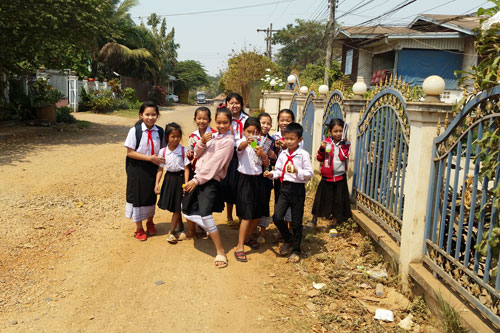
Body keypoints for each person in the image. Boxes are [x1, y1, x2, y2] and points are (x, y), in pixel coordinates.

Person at [182, 108, 235, 268]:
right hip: (198, 176)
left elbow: (215, 164)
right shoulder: (213, 136)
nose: (221, 126)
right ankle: (203, 231)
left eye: (225, 122)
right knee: (186, 206)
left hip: (209, 180)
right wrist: (203, 141)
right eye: (219, 122)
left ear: (230, 123)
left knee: (205, 214)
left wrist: (196, 180)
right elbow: (197, 154)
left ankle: (220, 251)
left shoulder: (228, 141)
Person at [264, 123, 313, 263]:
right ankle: (289, 239)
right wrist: (271, 174)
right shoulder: (283, 154)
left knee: (296, 222)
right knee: (277, 217)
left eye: (292, 139)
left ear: (300, 140)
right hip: (284, 188)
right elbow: (279, 170)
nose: (289, 141)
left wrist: (298, 171)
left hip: (297, 189)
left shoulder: (303, 154)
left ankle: (296, 250)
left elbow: (309, 173)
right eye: (287, 138)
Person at [124, 101, 165, 241]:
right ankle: (139, 228)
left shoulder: (160, 131)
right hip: (136, 169)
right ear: (141, 115)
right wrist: (149, 158)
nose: (150, 117)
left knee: (150, 196)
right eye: (147, 114)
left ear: (157, 116)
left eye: (154, 114)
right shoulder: (135, 131)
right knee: (137, 197)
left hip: (152, 169)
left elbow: (163, 152)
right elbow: (130, 152)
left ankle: (150, 222)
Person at [234, 117, 269, 262]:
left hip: (258, 179)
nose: (252, 134)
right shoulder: (240, 141)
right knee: (247, 215)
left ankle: (248, 238)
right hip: (245, 179)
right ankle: (239, 246)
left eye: (255, 132)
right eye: (249, 131)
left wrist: (263, 154)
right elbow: (240, 148)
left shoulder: (263, 144)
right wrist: (246, 141)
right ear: (244, 131)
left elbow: (266, 163)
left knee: (256, 214)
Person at [309, 118, 352, 229]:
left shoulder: (346, 144)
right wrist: (322, 149)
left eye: (340, 131)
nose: (338, 134)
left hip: (339, 177)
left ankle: (334, 223)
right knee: (320, 199)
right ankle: (314, 219)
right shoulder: (326, 142)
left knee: (338, 201)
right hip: (327, 176)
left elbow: (343, 157)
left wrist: (342, 144)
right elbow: (319, 158)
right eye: (335, 131)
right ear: (330, 132)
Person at [155, 122, 190, 244]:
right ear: (167, 137)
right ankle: (180, 227)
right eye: (172, 136)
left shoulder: (184, 150)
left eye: (178, 136)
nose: (175, 139)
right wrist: (157, 184)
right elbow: (160, 169)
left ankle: (171, 232)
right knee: (174, 205)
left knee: (176, 207)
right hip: (169, 179)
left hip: (180, 179)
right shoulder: (163, 152)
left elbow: (186, 168)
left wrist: (186, 183)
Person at [220, 92, 248, 227]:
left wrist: (254, 150)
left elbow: (252, 135)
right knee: (229, 185)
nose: (234, 105)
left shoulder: (247, 119)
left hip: (244, 155)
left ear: (242, 104)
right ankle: (229, 216)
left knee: (241, 186)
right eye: (231, 103)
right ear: (227, 104)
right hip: (230, 155)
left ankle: (241, 216)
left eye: (237, 103)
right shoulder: (224, 119)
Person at [256, 112, 277, 244]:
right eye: (263, 123)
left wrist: (272, 155)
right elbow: (252, 154)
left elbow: (275, 161)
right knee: (252, 201)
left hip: (265, 175)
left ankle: (262, 231)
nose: (266, 126)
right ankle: (251, 229)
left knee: (264, 202)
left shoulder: (272, 141)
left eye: (268, 123)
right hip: (253, 174)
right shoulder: (252, 138)